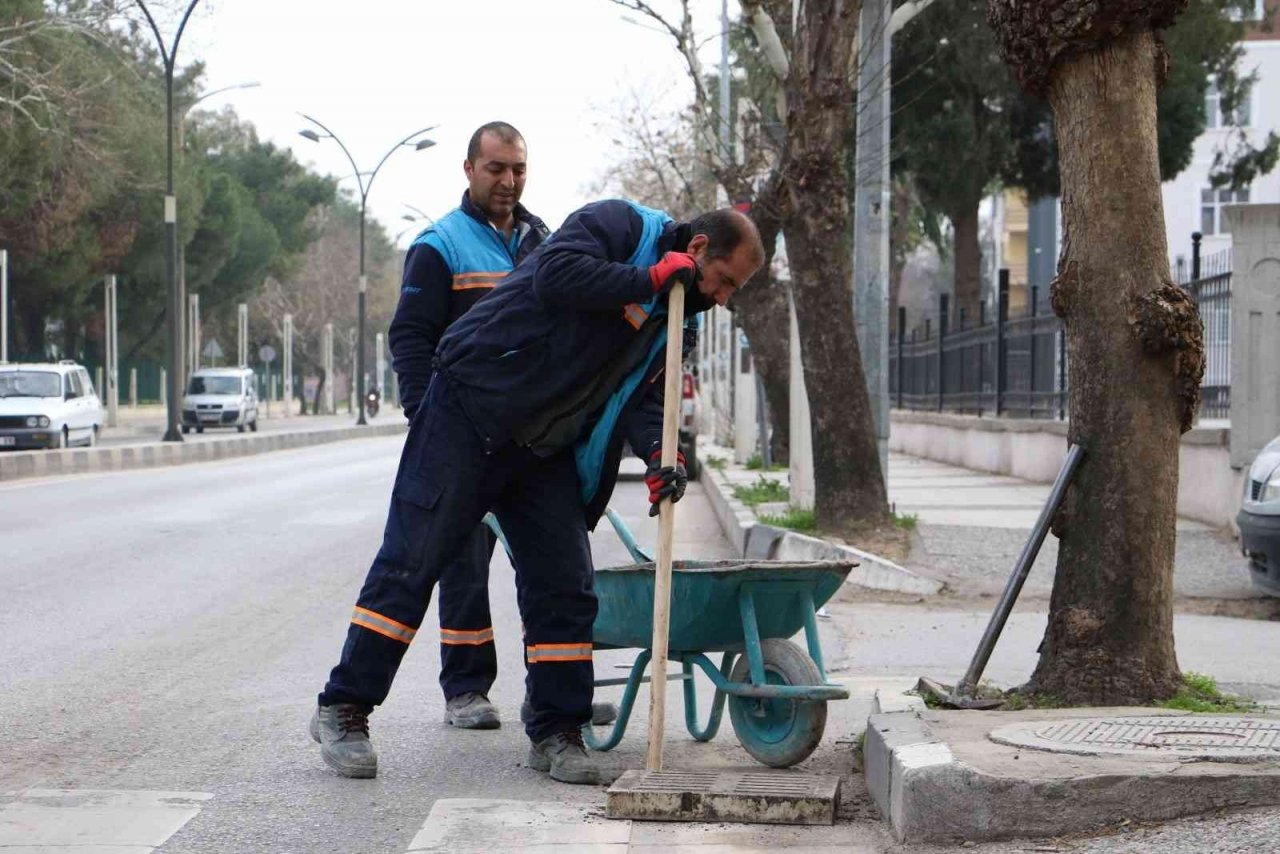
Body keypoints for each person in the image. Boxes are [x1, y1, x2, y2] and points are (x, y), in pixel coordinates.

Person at [311, 199, 764, 784]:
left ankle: (557, 730)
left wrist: (662, 453)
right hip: (469, 410)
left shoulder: (682, 317)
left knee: (565, 585)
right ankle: (343, 707)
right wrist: (646, 277)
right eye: (725, 281)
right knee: (412, 563)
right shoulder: (621, 227)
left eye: (734, 290)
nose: (724, 297)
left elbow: (647, 399)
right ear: (698, 250)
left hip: (541, 447)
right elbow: (557, 275)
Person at [387, 121, 550, 731]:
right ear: (469, 170)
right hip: (463, 437)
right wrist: (424, 415)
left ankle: (552, 692)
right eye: (496, 169)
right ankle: (466, 689)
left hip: (532, 438)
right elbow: (410, 335)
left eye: (517, 170)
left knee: (550, 570)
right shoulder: (441, 245)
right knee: (463, 563)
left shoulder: (544, 242)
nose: (508, 181)